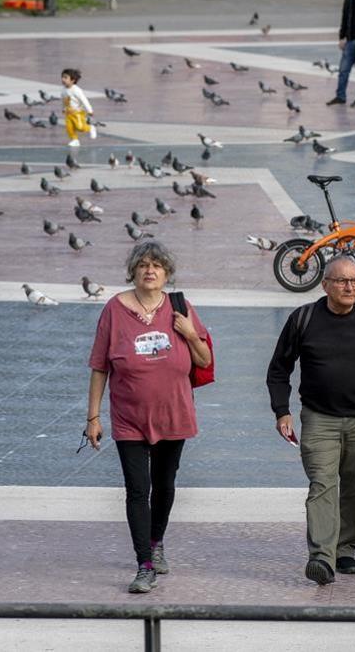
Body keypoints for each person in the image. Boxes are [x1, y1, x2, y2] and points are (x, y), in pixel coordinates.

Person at [266, 257, 355, 585]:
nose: (350, 287)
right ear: (325, 285)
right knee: (322, 484)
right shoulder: (304, 318)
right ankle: (321, 555)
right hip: (319, 420)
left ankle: (345, 548)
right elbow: (279, 368)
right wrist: (282, 410)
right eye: (342, 281)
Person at [85, 241, 211, 594]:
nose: (149, 270)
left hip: (174, 413)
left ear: (166, 273)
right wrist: (93, 417)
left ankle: (156, 541)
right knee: (137, 489)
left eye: (156, 265)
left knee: (165, 486)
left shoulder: (180, 307)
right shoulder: (114, 309)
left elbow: (202, 360)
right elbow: (99, 366)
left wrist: (188, 333)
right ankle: (144, 564)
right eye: (143, 265)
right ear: (134, 271)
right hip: (129, 418)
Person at [60, 67, 95, 148]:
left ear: (73, 80)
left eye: (65, 77)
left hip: (78, 113)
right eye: (62, 77)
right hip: (68, 113)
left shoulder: (76, 90)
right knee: (69, 128)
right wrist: (63, 108)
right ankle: (75, 140)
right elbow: (63, 100)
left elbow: (84, 100)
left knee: (80, 127)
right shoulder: (63, 90)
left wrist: (89, 110)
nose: (63, 79)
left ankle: (90, 128)